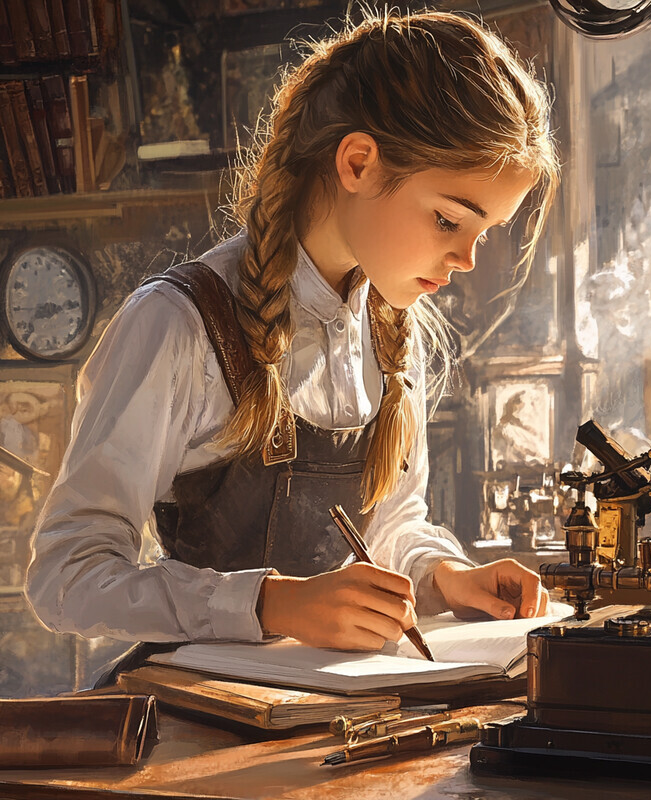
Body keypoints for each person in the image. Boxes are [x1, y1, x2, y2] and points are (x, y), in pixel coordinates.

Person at [25, 9, 559, 661]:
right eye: (449, 221)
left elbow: (389, 529)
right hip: (195, 719)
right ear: (358, 163)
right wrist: (271, 604)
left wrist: (444, 576)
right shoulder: (179, 322)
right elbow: (66, 578)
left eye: (483, 233)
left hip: (326, 715)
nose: (467, 260)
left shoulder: (394, 329)